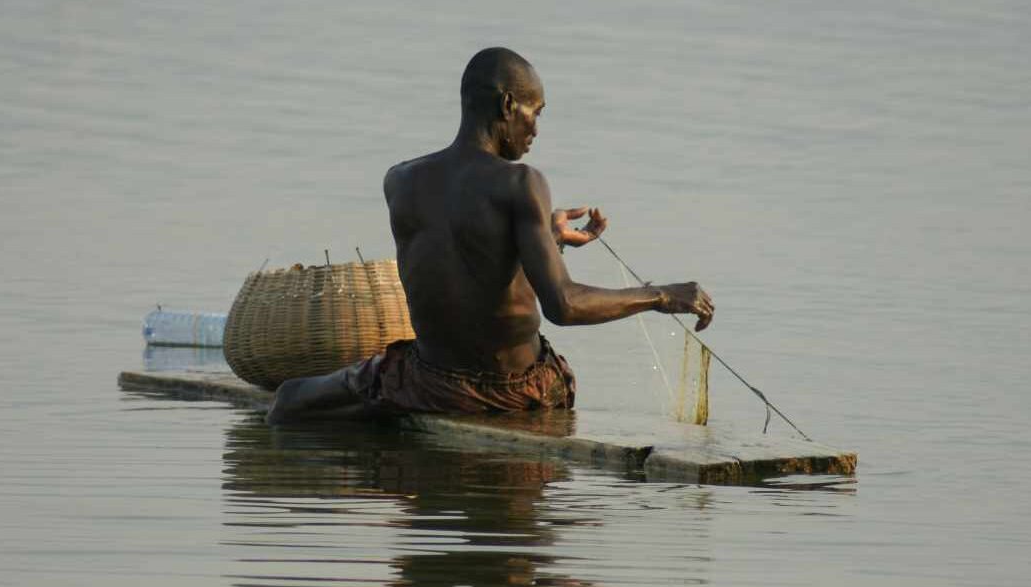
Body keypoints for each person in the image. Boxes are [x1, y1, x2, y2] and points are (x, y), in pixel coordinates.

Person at [267, 47, 712, 422]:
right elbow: (564, 305)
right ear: (506, 106)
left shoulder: (400, 181)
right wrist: (661, 297)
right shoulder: (522, 183)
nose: (536, 129)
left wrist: (548, 239)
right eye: (534, 113)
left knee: (289, 398)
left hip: (426, 381)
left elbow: (464, 261)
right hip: (513, 390)